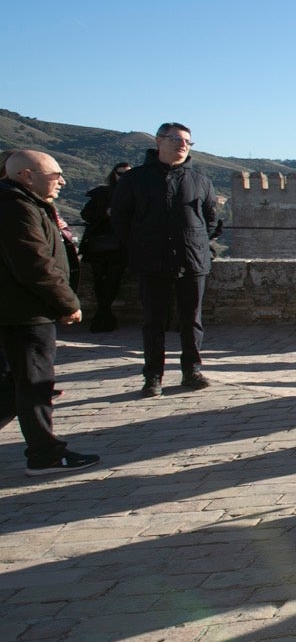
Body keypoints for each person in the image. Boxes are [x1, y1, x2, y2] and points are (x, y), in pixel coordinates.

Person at [0, 151, 98, 474]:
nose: (62, 181)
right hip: (24, 313)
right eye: (55, 174)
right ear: (28, 175)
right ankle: (45, 455)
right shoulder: (15, 206)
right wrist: (67, 302)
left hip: (18, 311)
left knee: (14, 385)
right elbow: (34, 263)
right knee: (33, 385)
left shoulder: (18, 201)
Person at [111, 122, 224, 396]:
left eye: (187, 140)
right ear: (159, 141)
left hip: (192, 260)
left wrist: (194, 241)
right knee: (153, 321)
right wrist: (143, 244)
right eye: (176, 139)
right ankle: (153, 376)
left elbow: (210, 220)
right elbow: (121, 220)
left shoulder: (200, 181)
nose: (182, 144)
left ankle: (192, 371)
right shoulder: (135, 179)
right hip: (152, 261)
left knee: (192, 319)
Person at [78, 162, 132, 333]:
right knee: (100, 281)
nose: (123, 177)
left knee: (112, 281)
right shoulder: (101, 193)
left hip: (120, 247)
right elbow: (86, 215)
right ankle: (104, 315)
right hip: (100, 246)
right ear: (114, 174)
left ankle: (102, 315)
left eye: (127, 174)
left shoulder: (134, 194)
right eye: (120, 173)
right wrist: (105, 213)